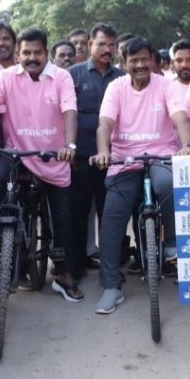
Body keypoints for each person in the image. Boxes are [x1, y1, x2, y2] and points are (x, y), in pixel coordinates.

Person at [0, 27, 82, 300]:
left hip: (53, 157)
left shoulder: (60, 77)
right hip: (17, 155)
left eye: (37, 52)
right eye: (26, 52)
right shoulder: (6, 77)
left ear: (46, 53)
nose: (31, 57)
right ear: (18, 54)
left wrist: (69, 146)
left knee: (61, 218)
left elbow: (69, 112)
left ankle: (62, 273)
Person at [89, 37, 190, 314]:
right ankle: (111, 287)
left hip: (160, 155)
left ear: (154, 61)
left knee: (169, 184)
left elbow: (180, 118)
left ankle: (171, 241)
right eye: (132, 60)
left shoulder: (166, 85)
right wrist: (104, 151)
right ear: (123, 64)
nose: (139, 64)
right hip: (125, 160)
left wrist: (187, 145)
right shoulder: (116, 88)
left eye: (144, 59)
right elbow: (104, 124)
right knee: (112, 220)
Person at [67, 24, 125, 282]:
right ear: (90, 43)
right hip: (82, 156)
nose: (107, 49)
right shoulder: (73, 75)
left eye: (112, 44)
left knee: (110, 215)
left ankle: (111, 267)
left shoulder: (122, 77)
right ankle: (77, 264)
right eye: (102, 44)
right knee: (78, 214)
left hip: (114, 158)